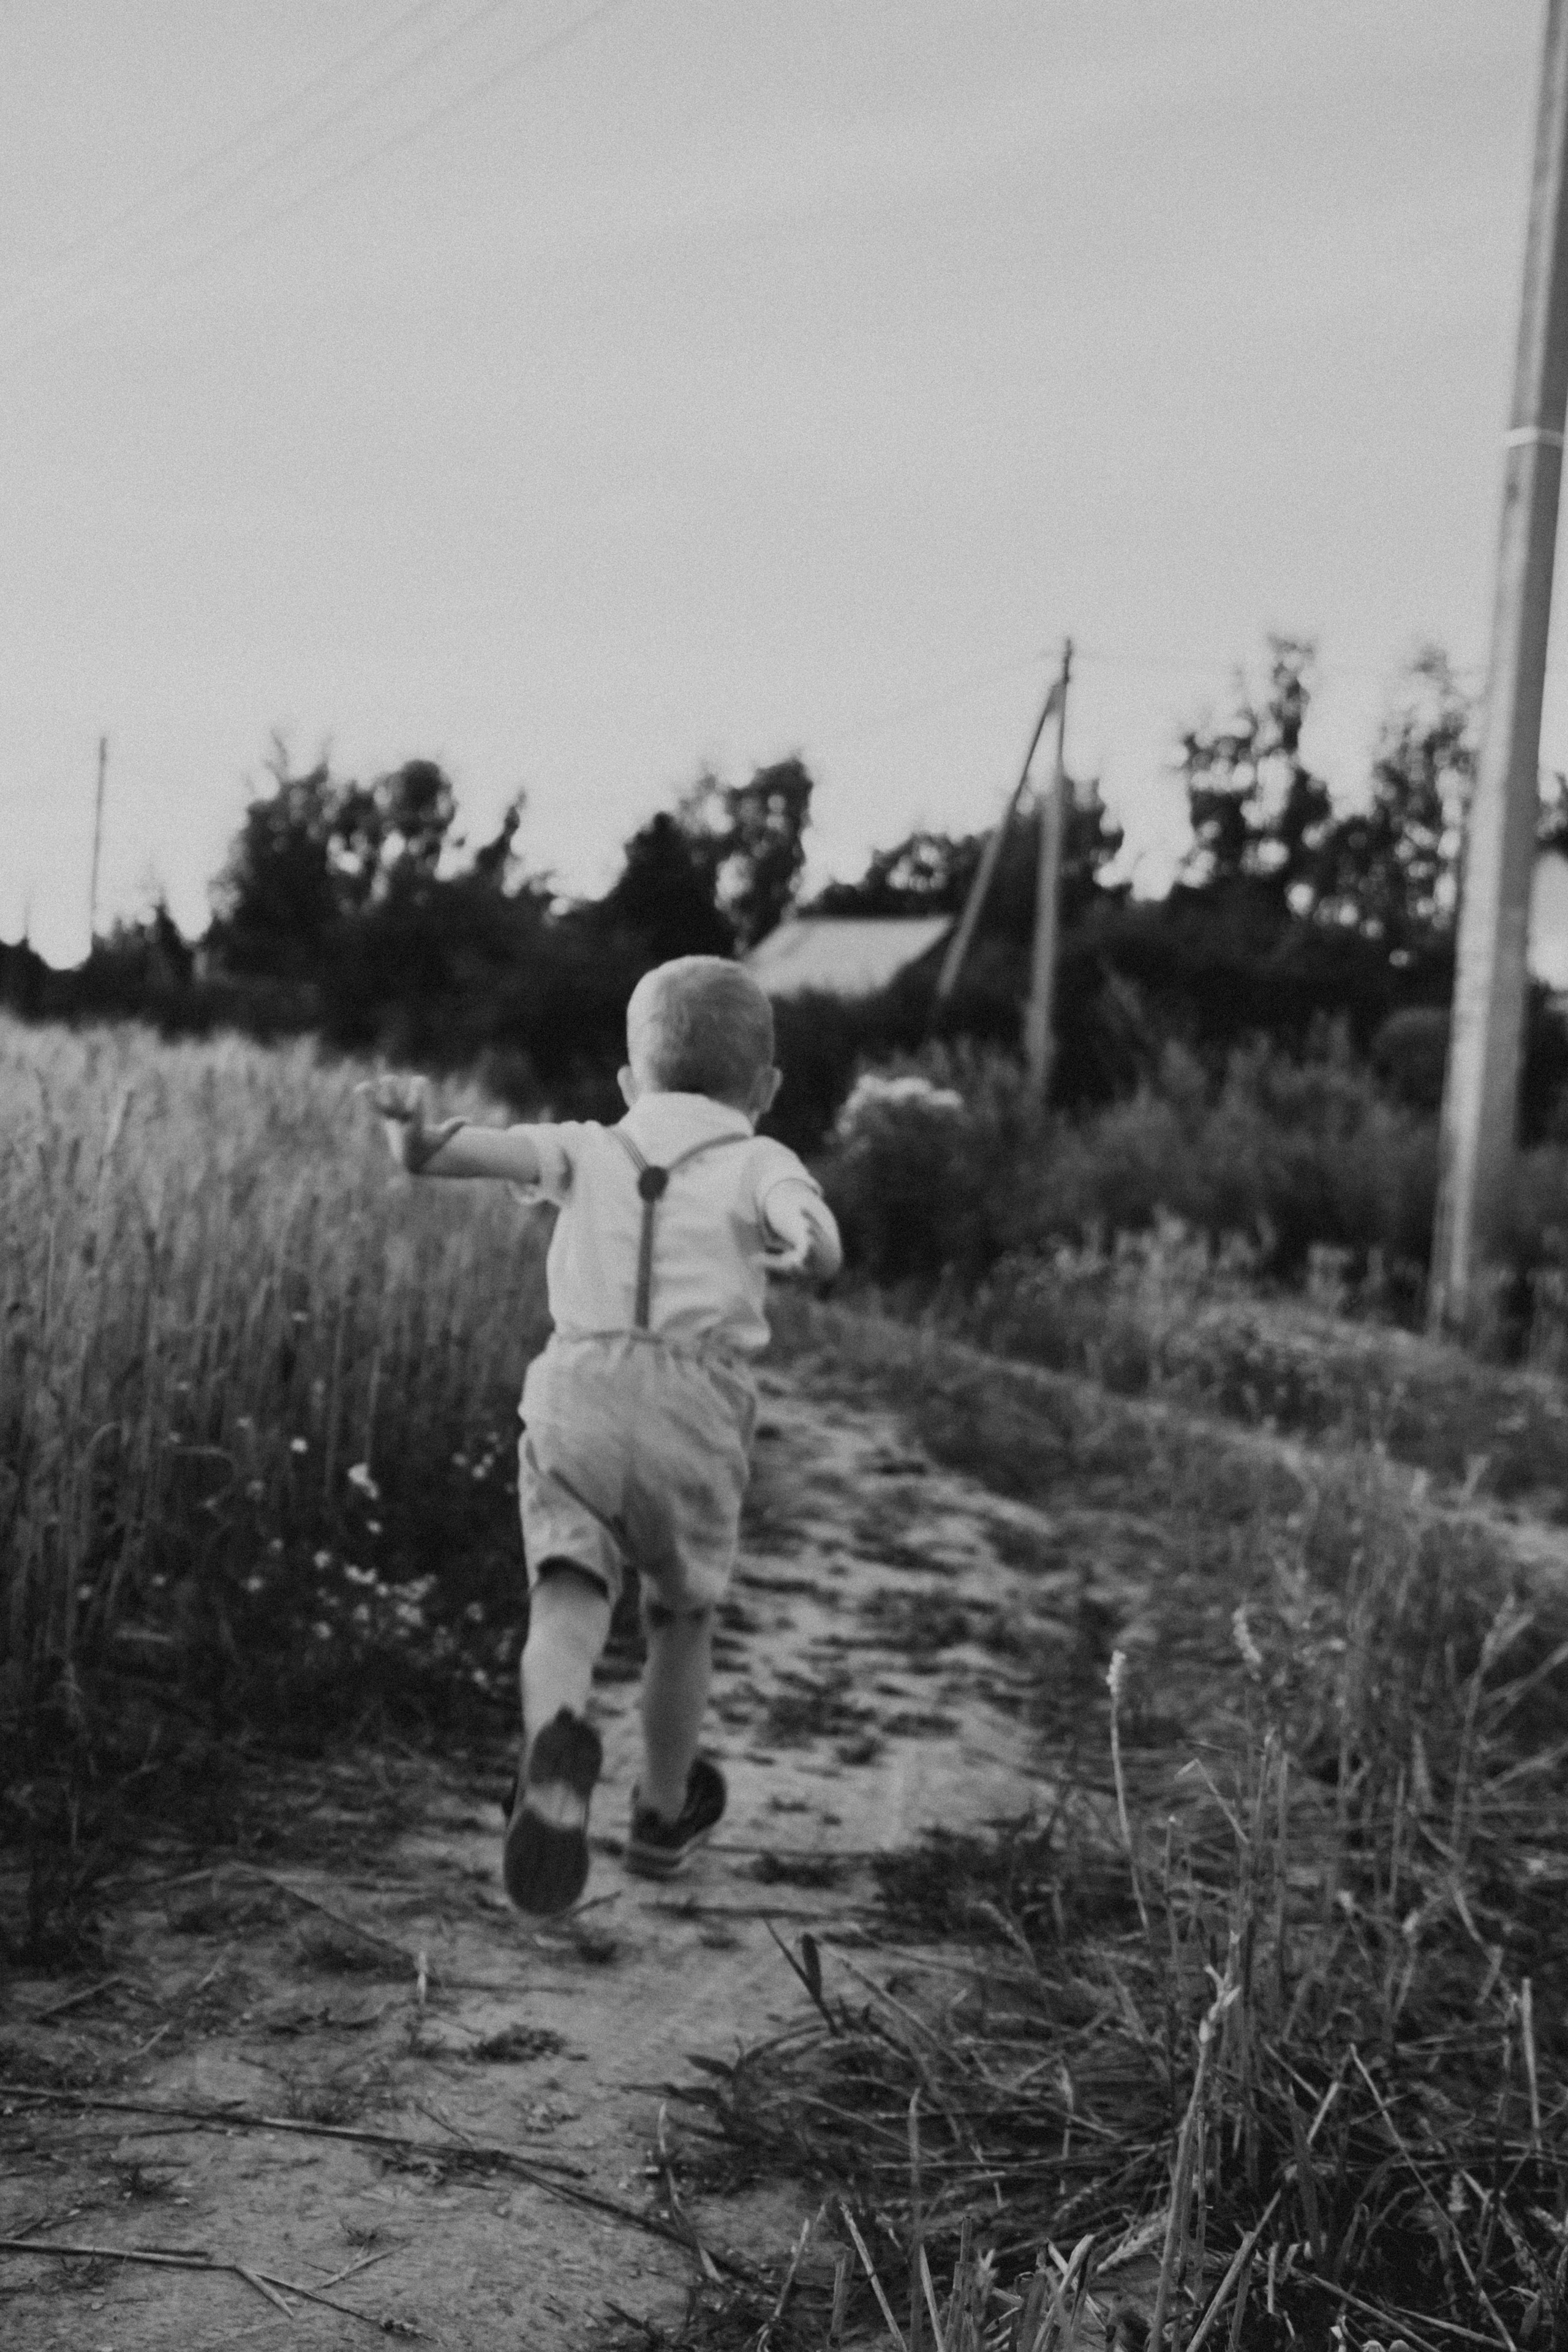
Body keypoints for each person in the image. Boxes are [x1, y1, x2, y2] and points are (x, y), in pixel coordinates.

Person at [361, 956, 842, 1916]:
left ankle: (554, 1736)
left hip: (576, 1394)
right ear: (766, 1088)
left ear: (629, 1081)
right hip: (695, 1409)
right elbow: (807, 1222)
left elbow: (448, 1157)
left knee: (566, 1592)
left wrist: (409, 1133)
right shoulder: (761, 1160)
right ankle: (662, 1815)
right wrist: (809, 1241)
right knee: (681, 1615)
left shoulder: (586, 1143)